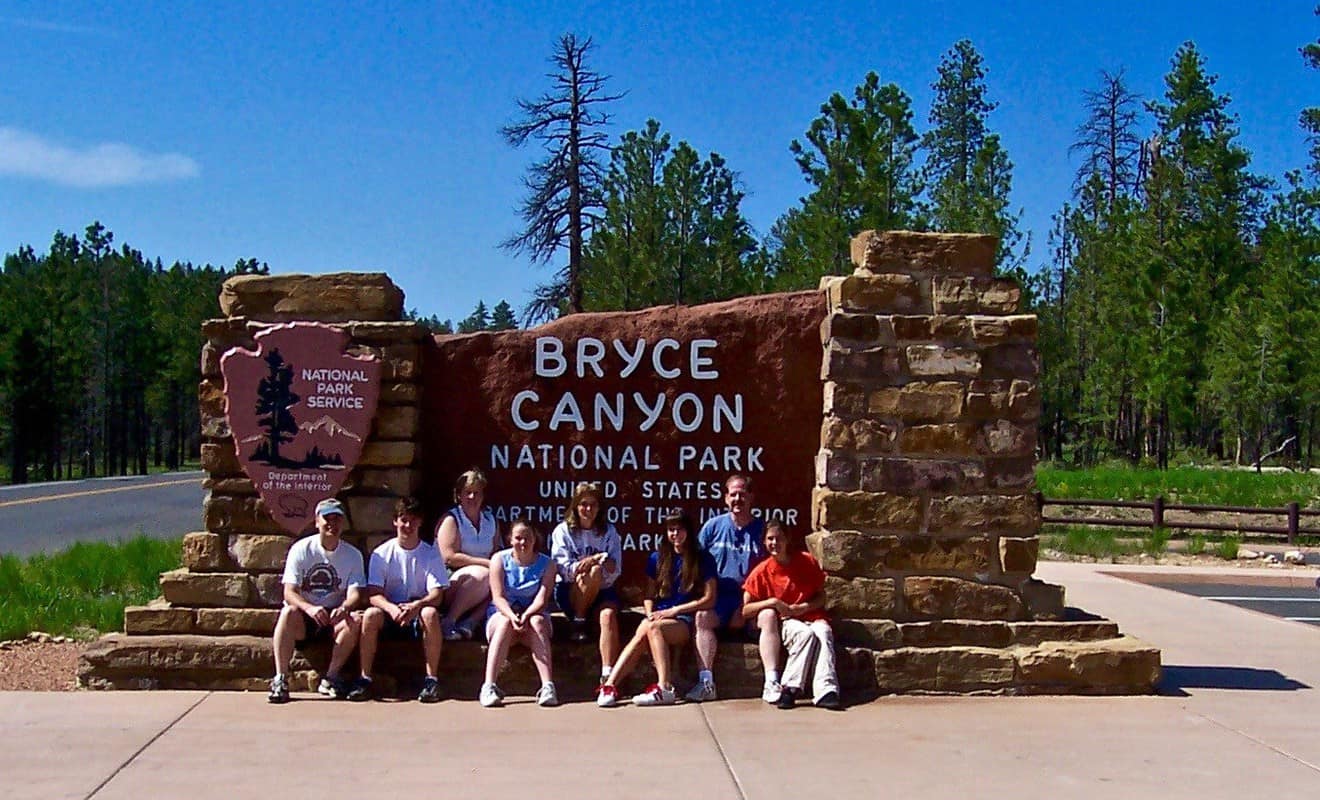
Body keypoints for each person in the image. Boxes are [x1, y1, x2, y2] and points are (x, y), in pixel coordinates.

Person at [597, 510, 716, 707]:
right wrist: (650, 612)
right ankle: (610, 686)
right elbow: (649, 595)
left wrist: (674, 611)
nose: (675, 534)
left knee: (651, 628)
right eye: (671, 530)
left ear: (688, 531)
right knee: (646, 628)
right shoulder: (657, 558)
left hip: (684, 619)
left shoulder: (702, 558)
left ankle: (664, 687)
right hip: (660, 616)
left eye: (679, 529)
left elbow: (709, 599)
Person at [352, 496, 450, 703]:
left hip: (417, 611)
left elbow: (437, 595)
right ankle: (364, 679)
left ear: (420, 522)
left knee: (430, 613)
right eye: (404, 520)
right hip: (390, 612)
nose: (408, 525)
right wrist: (391, 609)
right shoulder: (381, 553)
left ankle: (431, 680)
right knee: (370, 615)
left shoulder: (431, 553)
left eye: (413, 520)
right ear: (395, 521)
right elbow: (374, 593)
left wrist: (417, 605)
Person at [269, 497, 365, 704]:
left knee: (356, 619)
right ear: (317, 522)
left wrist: (344, 607)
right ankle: (280, 678)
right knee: (287, 612)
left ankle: (330, 678)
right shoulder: (301, 549)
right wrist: (310, 609)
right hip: (306, 615)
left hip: (333, 617)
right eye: (327, 519)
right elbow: (289, 592)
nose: (332, 524)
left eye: (337, 519)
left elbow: (355, 594)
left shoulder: (352, 555)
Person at [741, 520, 840, 710]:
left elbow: (822, 597)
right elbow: (746, 610)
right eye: (770, 539)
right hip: (786, 621)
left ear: (787, 540)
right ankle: (790, 688)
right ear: (764, 541)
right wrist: (773, 603)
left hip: (811, 615)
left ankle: (826, 690)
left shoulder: (806, 561)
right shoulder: (762, 571)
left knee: (823, 633)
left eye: (779, 538)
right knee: (805, 635)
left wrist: (803, 607)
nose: (774, 543)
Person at [686, 474, 767, 702]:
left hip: (750, 598)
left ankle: (773, 682)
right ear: (725, 498)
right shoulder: (712, 527)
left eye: (742, 494)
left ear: (751, 497)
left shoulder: (762, 531)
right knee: (702, 618)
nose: (738, 499)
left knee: (769, 619)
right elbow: (696, 563)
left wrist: (745, 607)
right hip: (718, 598)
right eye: (733, 494)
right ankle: (706, 682)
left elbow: (769, 572)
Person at [549, 481, 623, 704]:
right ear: (575, 506)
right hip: (570, 591)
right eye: (583, 504)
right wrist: (589, 563)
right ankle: (579, 619)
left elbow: (615, 569)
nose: (588, 509)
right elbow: (561, 568)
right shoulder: (563, 531)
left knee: (608, 615)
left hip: (603, 591)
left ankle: (607, 678)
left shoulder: (609, 531)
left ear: (599, 507)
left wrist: (600, 566)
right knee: (591, 571)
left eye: (592, 504)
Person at [479, 519, 558, 708]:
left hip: (533, 617)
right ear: (510, 539)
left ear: (535, 539)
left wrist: (526, 615)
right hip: (502, 617)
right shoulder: (499, 559)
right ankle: (488, 686)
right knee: (505, 622)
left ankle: (548, 686)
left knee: (537, 622)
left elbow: (541, 600)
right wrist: (512, 616)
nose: (523, 543)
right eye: (518, 538)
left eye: (527, 538)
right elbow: (498, 597)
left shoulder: (548, 564)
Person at [436, 468, 502, 641]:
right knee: (484, 575)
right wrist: (486, 564)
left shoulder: (490, 520)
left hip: (485, 580)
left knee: (502, 580)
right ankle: (448, 621)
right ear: (459, 495)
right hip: (451, 581)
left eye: (477, 493)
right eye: (468, 493)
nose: (472, 497)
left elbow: (496, 552)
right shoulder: (451, 519)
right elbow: (448, 557)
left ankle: (470, 623)